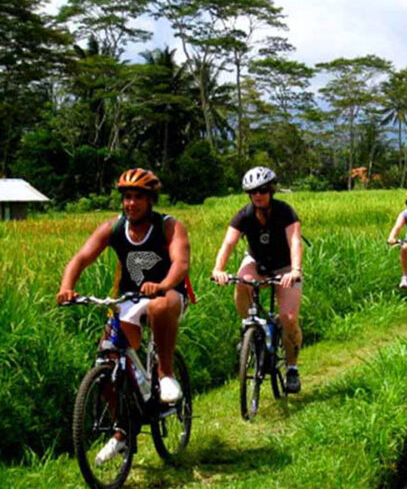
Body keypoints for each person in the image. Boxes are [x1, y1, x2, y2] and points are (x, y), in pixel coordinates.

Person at [56, 168, 191, 465]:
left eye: (138, 198)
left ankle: (165, 373)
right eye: (127, 197)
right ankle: (123, 430)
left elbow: (180, 264)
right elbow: (80, 258)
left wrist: (164, 285)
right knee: (108, 360)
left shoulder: (168, 226)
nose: (131, 203)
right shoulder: (114, 228)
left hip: (169, 295)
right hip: (128, 298)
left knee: (158, 306)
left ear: (151, 200)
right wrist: (68, 287)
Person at [211, 166, 304, 393]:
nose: (258, 195)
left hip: (284, 266)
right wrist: (218, 269)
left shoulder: (285, 212)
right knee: (242, 282)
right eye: (253, 192)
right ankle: (248, 329)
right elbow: (229, 244)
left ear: (271, 190)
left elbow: (295, 242)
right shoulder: (244, 215)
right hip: (256, 261)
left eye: (262, 190)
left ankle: (292, 368)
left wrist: (295, 270)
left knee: (288, 318)